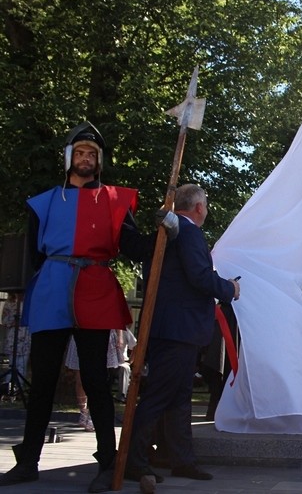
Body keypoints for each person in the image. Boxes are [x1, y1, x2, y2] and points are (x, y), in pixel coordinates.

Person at [0, 122, 174, 492]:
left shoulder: (115, 200)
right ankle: (28, 461)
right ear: (69, 158)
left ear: (99, 161)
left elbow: (135, 248)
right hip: (52, 288)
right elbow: (33, 255)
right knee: (43, 380)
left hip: (94, 289)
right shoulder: (45, 202)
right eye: (79, 153)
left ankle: (108, 462)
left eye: (91, 154)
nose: (85, 159)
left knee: (96, 379)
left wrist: (164, 230)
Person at [125, 183, 239, 491]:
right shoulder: (188, 233)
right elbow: (199, 277)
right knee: (160, 396)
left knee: (178, 397)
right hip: (179, 330)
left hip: (174, 328)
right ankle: (135, 460)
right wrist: (230, 288)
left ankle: (181, 458)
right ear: (199, 207)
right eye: (206, 205)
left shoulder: (170, 232)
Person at [0, 292, 30, 395]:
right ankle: (8, 388)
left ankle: (18, 389)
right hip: (12, 338)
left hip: (25, 338)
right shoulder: (9, 303)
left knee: (22, 365)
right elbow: (4, 320)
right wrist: (14, 321)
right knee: (11, 364)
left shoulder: (28, 302)